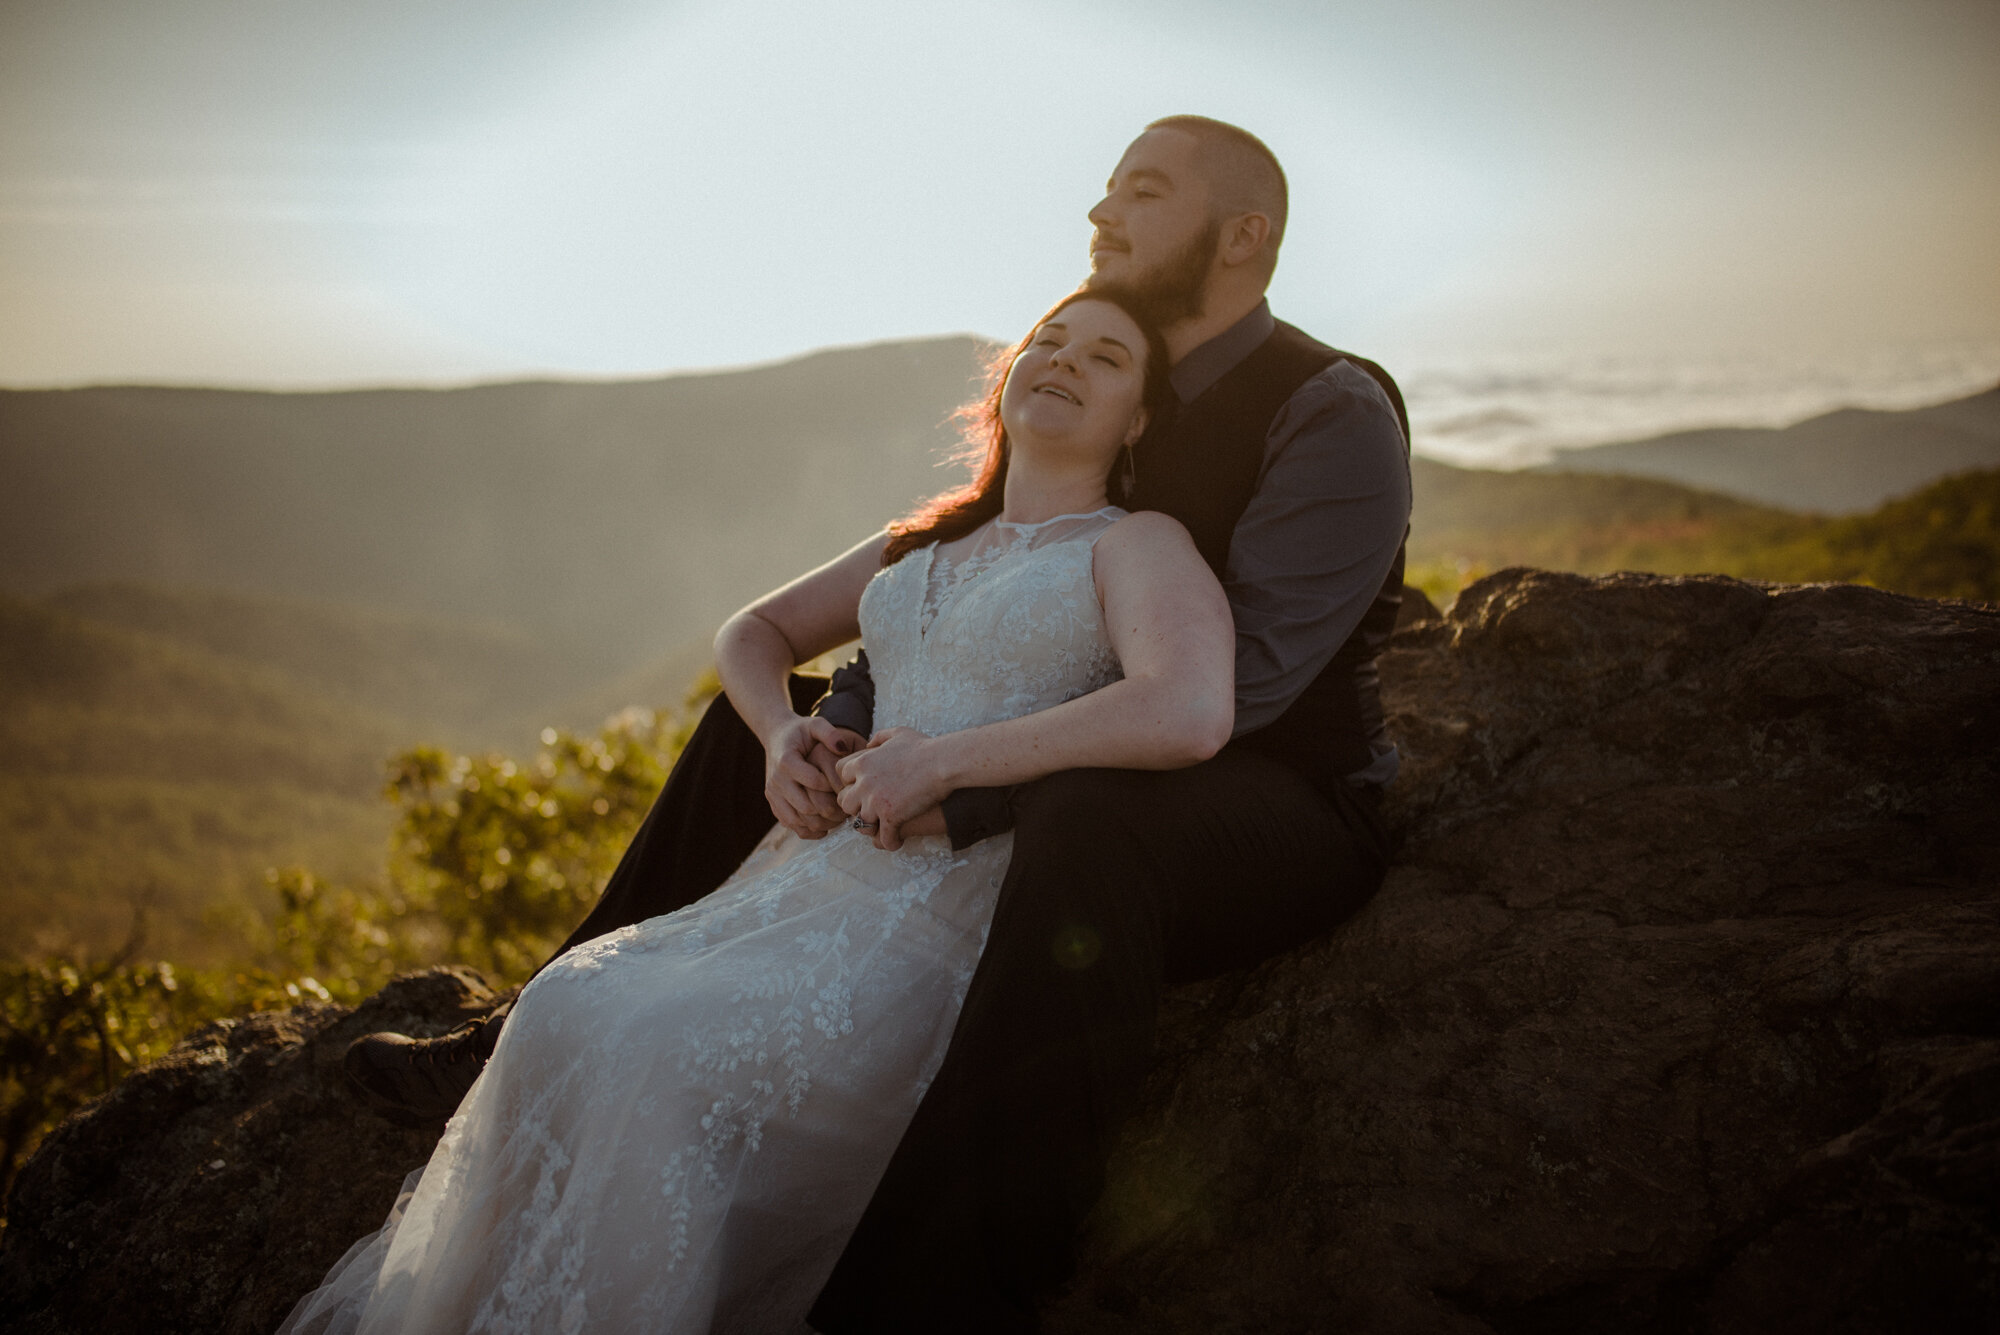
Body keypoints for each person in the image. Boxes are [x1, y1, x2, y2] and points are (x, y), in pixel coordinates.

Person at [346, 114, 1412, 1330]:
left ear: (1241, 236)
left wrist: (952, 760)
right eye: (1108, 194)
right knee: (755, 728)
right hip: (1079, 730)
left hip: (1278, 792)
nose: (1100, 217)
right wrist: (853, 720)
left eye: (1142, 194)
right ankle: (524, 1038)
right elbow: (954, 599)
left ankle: (957, 1273)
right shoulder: (1118, 394)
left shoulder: (1326, 408)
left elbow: (1246, 688)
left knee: (1082, 819)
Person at [282, 289, 1234, 1332]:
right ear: (1003, 379)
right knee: (565, 1005)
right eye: (1046, 342)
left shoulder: (1135, 543)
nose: (1062, 361)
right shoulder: (916, 546)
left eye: (1104, 359)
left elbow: (1186, 710)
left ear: (1138, 421)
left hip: (951, 907)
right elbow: (753, 630)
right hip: (804, 876)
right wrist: (783, 735)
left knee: (662, 1058)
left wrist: (946, 764)